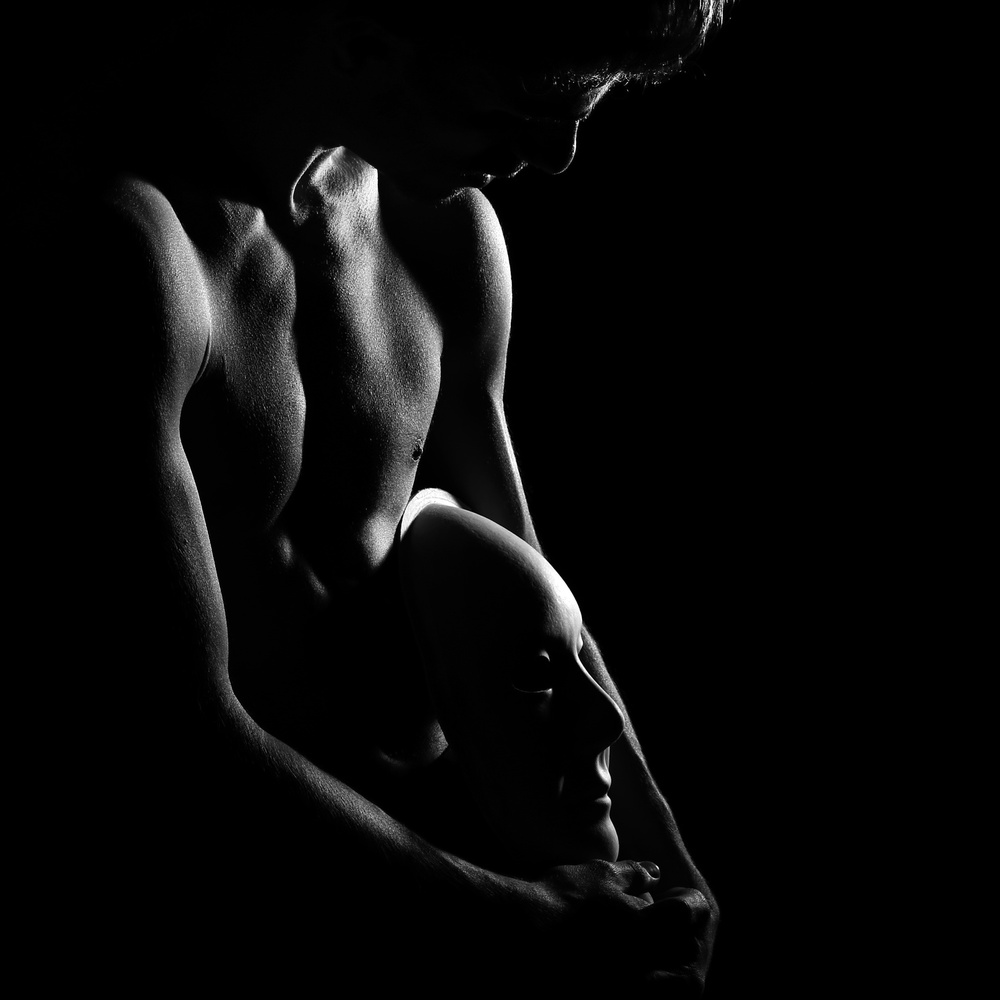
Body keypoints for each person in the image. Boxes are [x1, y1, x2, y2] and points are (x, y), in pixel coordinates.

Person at [50, 3, 727, 993]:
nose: (558, 154)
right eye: (531, 103)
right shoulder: (129, 253)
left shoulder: (438, 232)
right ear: (370, 35)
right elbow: (172, 730)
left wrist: (672, 874)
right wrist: (530, 922)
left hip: (461, 922)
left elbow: (546, 618)